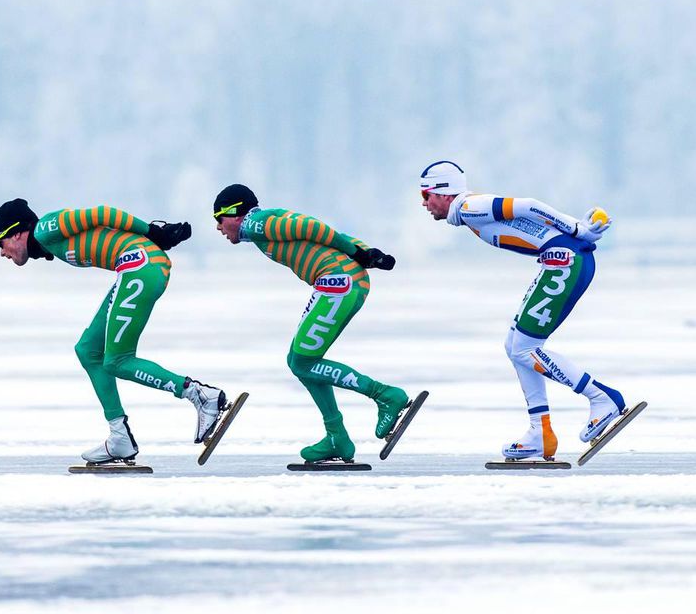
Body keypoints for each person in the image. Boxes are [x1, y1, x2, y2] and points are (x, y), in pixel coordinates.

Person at [0, 198, 231, 465]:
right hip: (134, 268)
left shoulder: (45, 229)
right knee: (87, 350)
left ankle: (201, 396)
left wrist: (152, 232)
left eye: (0, 243)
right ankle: (120, 437)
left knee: (118, 360)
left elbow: (101, 213)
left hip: (140, 267)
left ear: (16, 233)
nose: (2, 253)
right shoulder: (48, 242)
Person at [418, 160, 625, 460]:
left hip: (564, 264)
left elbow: (528, 206)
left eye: (426, 195)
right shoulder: (467, 211)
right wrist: (581, 232)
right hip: (560, 260)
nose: (424, 204)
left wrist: (577, 229)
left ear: (443, 192)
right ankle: (540, 431)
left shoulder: (468, 208)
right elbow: (535, 223)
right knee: (514, 345)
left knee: (525, 349)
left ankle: (602, 397)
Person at [211, 183, 410, 463]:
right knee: (300, 361)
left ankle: (385, 395)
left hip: (338, 283)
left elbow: (313, 228)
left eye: (218, 220)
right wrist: (366, 252)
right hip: (339, 283)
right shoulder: (267, 219)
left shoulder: (256, 223)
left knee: (302, 362)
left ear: (233, 215)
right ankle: (336, 436)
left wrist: (359, 253)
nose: (218, 229)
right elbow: (326, 232)